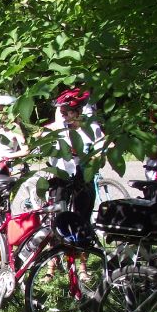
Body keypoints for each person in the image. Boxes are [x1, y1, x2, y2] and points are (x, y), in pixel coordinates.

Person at [47, 87, 97, 218]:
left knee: (82, 218)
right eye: (61, 112)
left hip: (82, 178)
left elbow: (102, 151)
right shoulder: (62, 126)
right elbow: (49, 129)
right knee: (58, 218)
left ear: (78, 111)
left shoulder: (91, 128)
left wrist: (90, 157)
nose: (62, 116)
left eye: (66, 112)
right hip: (62, 177)